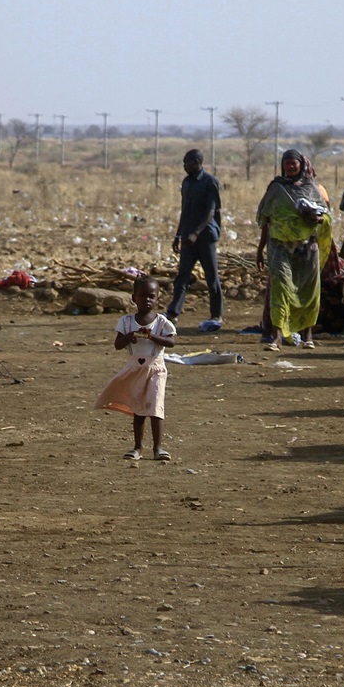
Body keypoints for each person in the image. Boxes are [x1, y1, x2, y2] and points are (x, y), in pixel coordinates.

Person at [256, 149, 332, 352]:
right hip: (279, 247)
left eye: (294, 164)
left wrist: (317, 218)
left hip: (307, 248)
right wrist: (260, 249)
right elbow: (266, 219)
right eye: (287, 163)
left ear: (301, 165)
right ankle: (277, 337)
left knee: (309, 292)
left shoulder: (311, 188)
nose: (290, 167)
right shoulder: (276, 189)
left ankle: (308, 335)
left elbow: (327, 216)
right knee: (280, 288)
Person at [94, 277, 177, 461]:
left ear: (158, 299)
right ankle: (137, 447)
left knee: (155, 408)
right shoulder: (126, 321)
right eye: (143, 296)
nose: (147, 300)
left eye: (151, 296)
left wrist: (152, 337)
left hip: (155, 369)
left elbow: (171, 342)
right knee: (138, 409)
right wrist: (129, 337)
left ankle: (158, 448)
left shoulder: (161, 322)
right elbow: (117, 344)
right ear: (134, 298)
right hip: (134, 369)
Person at [167, 149, 223, 329]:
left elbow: (211, 212)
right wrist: (178, 235)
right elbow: (184, 211)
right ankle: (173, 313)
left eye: (187, 163)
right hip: (187, 237)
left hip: (206, 237)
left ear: (197, 162)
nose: (184, 166)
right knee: (182, 275)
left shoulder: (210, 182)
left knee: (211, 276)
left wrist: (196, 233)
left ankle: (216, 315)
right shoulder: (187, 182)